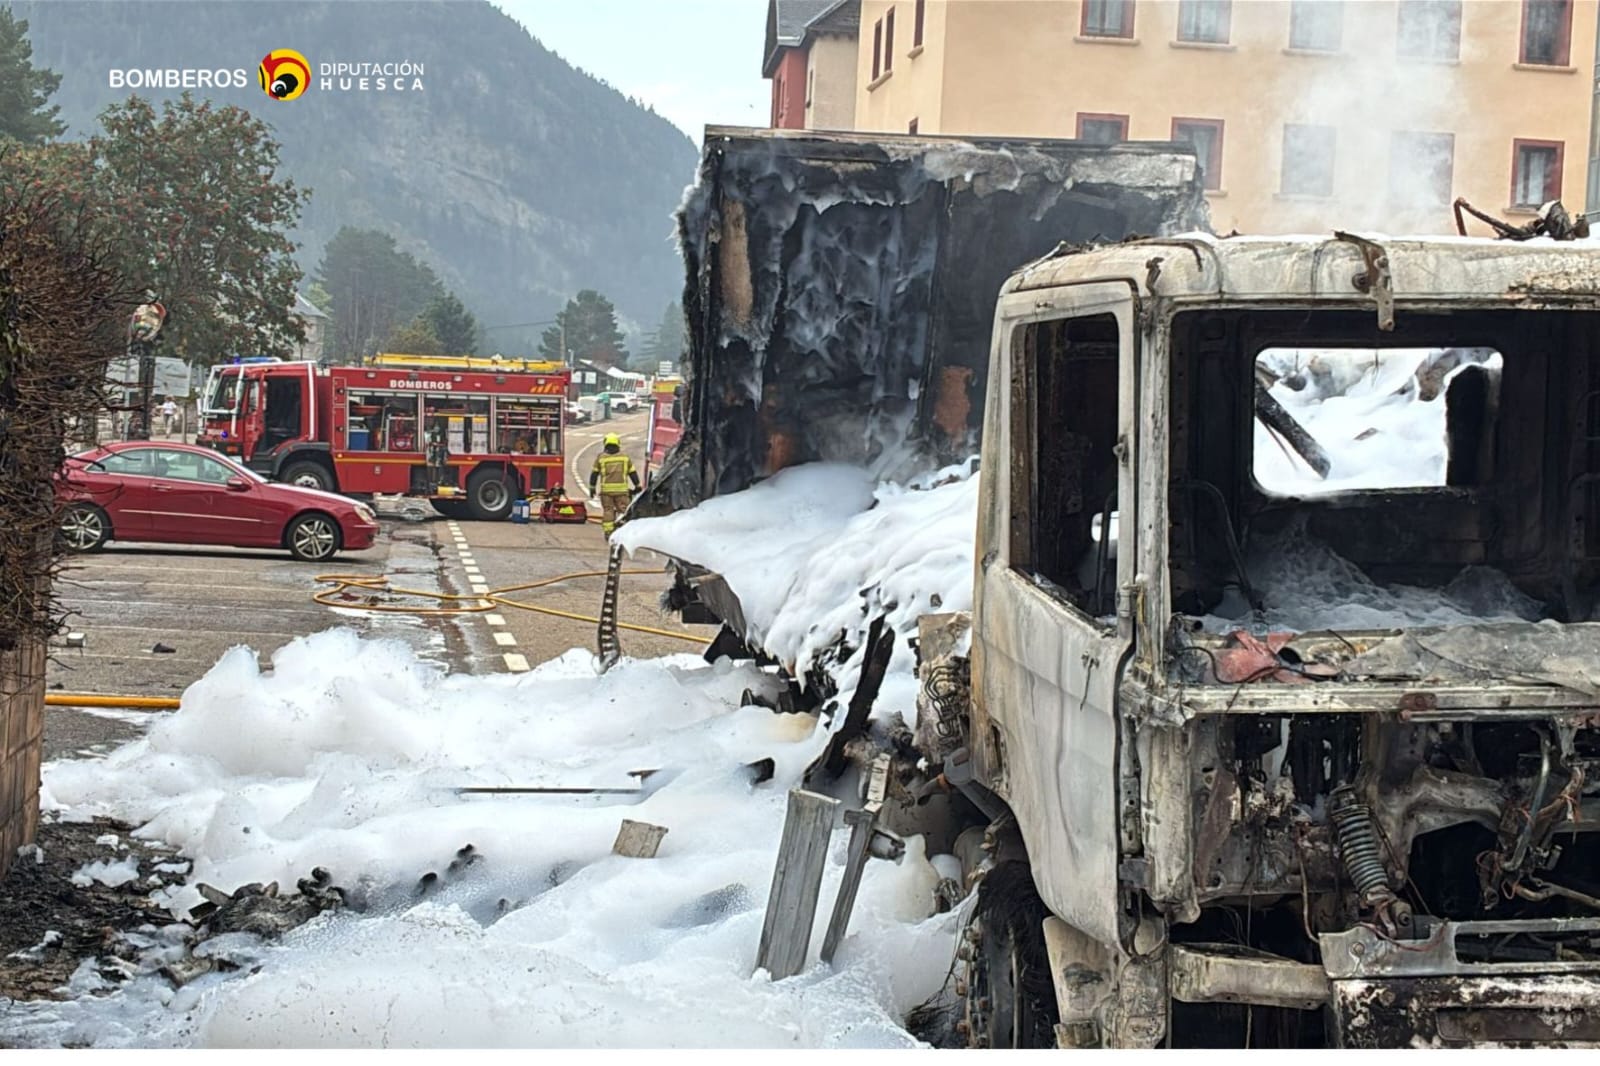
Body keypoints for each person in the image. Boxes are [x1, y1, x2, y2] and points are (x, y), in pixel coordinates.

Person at [588, 432, 641, 536]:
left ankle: (608, 532)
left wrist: (592, 488)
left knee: (608, 510)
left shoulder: (601, 458)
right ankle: (624, 530)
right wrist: (637, 486)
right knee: (623, 509)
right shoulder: (624, 458)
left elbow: (594, 474)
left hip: (606, 492)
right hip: (621, 491)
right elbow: (632, 473)